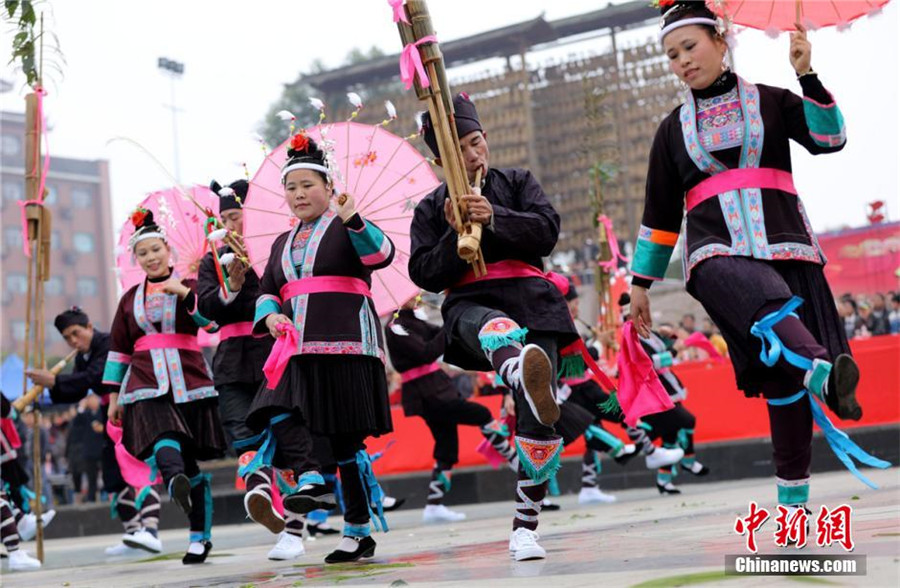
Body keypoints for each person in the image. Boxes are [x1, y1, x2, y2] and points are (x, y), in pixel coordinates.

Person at [630, 1, 888, 514]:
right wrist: (640, 284)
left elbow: (830, 139)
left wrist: (806, 74)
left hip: (788, 246)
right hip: (712, 252)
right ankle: (820, 367)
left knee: (782, 391)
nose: (681, 60)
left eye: (689, 46)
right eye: (671, 54)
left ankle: (793, 510)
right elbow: (660, 214)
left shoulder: (772, 101)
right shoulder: (670, 130)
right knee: (741, 285)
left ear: (721, 40)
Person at [409, 92, 572, 561]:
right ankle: (520, 368)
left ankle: (525, 527)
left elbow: (546, 231)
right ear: (440, 160)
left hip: (534, 302)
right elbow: (424, 273)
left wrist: (494, 216)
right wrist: (448, 232)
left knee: (539, 416)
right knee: (493, 324)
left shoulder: (518, 181)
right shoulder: (429, 207)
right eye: (460, 149)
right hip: (470, 305)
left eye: (477, 142)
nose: (473, 155)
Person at [247, 133, 394, 564]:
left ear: (329, 188)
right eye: (290, 188)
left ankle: (357, 531)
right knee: (276, 404)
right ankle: (310, 476)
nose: (298, 195)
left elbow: (381, 256)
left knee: (345, 440)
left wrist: (354, 219)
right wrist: (271, 315)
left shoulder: (347, 225)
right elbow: (268, 289)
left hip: (348, 341)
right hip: (297, 347)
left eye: (307, 185)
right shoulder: (281, 242)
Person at [102, 209, 226, 564]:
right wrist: (114, 398)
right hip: (144, 382)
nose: (151, 258)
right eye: (143, 253)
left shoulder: (191, 285)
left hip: (188, 379)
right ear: (136, 259)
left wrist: (186, 296)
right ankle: (173, 482)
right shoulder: (128, 299)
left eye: (156, 250)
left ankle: (199, 538)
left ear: (168, 250)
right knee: (162, 431)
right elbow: (119, 349)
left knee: (191, 466)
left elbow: (212, 324)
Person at [196, 178, 288, 558]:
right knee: (240, 428)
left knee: (283, 429)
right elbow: (205, 310)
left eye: (240, 217)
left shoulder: (276, 250)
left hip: (272, 350)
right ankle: (260, 491)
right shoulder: (211, 262)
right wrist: (230, 287)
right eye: (227, 219)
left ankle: (293, 518)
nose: (233, 226)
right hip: (232, 356)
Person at [28, 307, 162, 555]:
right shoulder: (83, 355)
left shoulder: (109, 342)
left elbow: (94, 378)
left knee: (138, 468)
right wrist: (48, 389)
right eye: (67, 338)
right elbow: (76, 390)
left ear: (89, 327)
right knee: (113, 475)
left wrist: (55, 381)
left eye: (76, 333)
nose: (73, 341)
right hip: (109, 415)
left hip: (131, 409)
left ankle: (151, 531)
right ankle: (134, 533)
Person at [385, 298, 517, 524]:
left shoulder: (413, 321)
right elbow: (426, 352)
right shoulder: (394, 327)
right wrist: (448, 324)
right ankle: (519, 466)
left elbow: (442, 336)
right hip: (427, 393)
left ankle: (434, 505)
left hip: (435, 389)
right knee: (481, 414)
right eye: (411, 294)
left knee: (446, 445)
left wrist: (455, 322)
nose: (415, 296)